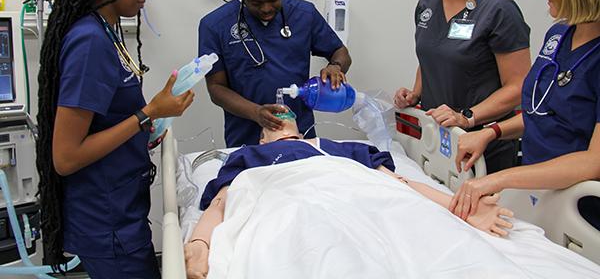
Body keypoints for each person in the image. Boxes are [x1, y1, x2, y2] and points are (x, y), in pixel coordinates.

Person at [36, 0, 194, 277]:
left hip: (122, 213)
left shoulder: (107, 32)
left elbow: (104, 119)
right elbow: (66, 156)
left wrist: (146, 127)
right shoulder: (90, 42)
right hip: (107, 224)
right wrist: (147, 113)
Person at [183, 115, 514, 278]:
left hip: (355, 192)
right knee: (311, 238)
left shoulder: (342, 148)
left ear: (301, 131)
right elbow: (223, 202)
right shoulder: (250, 157)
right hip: (289, 199)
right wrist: (201, 245)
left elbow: (399, 185)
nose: (281, 122)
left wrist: (461, 209)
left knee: (411, 232)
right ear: (263, 140)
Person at [450, 0, 600, 228]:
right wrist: (490, 132)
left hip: (581, 214)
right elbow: (542, 112)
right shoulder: (560, 35)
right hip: (539, 194)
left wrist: (497, 180)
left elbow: (592, 161)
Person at [394, 0, 531, 174]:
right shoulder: (427, 5)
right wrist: (415, 93)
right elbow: (432, 56)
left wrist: (468, 116)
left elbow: (518, 87)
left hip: (483, 146)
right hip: (437, 142)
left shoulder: (499, 11)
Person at [198, 0, 351, 147]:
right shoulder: (214, 25)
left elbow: (340, 51)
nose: (266, 8)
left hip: (299, 133)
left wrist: (336, 67)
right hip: (245, 138)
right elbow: (216, 89)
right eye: (256, 2)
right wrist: (256, 112)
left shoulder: (304, 14)